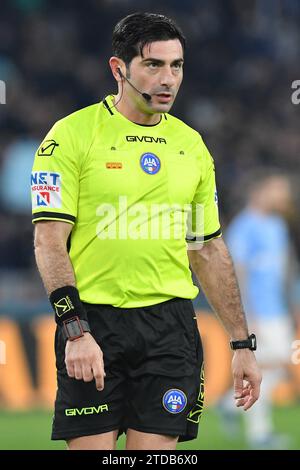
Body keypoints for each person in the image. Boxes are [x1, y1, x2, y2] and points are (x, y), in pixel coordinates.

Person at [31, 12, 261, 451]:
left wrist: (241, 344)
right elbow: (48, 241)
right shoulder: (71, 136)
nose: (168, 79)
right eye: (153, 65)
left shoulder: (190, 146)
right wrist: (75, 330)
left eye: (176, 66)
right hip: (94, 323)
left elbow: (207, 248)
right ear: (119, 69)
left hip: (169, 329)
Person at [220, 173, 295, 449]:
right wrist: (248, 317)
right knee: (262, 366)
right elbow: (238, 274)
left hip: (278, 310)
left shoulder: (277, 225)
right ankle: (259, 434)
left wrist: (293, 305)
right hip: (258, 313)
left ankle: (229, 405)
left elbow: (284, 270)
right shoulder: (244, 226)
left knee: (284, 363)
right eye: (279, 190)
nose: (284, 197)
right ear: (261, 190)